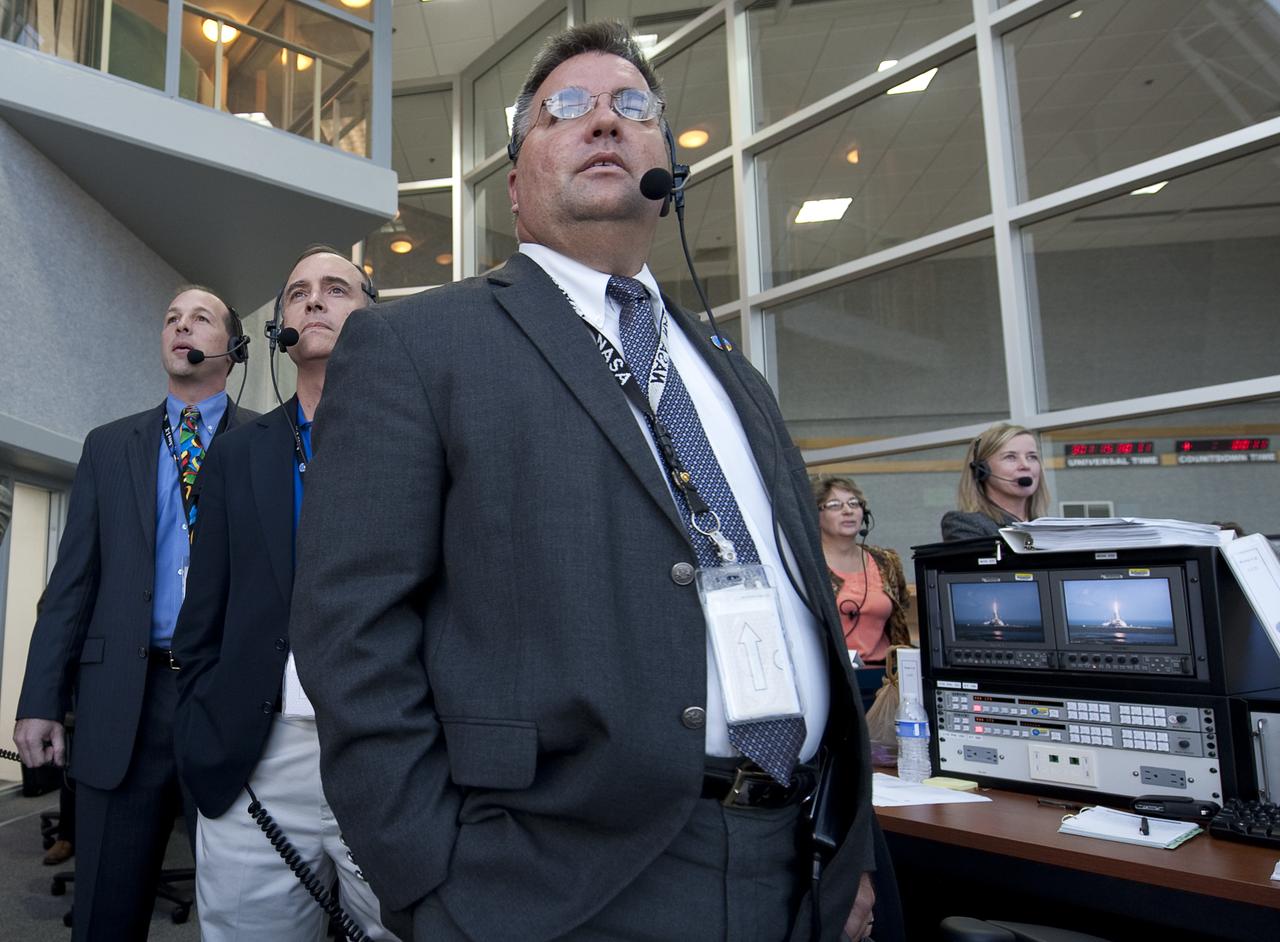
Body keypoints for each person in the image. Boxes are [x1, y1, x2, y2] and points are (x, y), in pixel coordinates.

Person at [289, 21, 884, 942]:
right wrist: (429, 882)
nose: (604, 121)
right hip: (547, 882)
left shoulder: (733, 375)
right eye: (567, 109)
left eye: (632, 107)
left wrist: (843, 846)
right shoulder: (418, 345)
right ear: (516, 177)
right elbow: (351, 627)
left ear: (666, 165)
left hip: (789, 860)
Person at [12, 286, 252, 940]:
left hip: (230, 700)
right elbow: (73, 582)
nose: (180, 327)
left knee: (252, 915)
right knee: (105, 914)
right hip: (126, 697)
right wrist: (40, 698)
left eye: (199, 318)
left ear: (233, 347)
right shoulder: (109, 445)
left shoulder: (267, 440)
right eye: (172, 319)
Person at [171, 245, 395, 941]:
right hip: (255, 758)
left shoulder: (422, 439)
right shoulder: (236, 455)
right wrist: (204, 726)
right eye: (298, 292)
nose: (315, 301)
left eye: (337, 289)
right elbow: (201, 614)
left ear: (371, 316)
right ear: (279, 330)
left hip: (390, 755)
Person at [812, 477, 911, 709]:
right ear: (815, 514)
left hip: (886, 679)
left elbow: (901, 613)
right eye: (835, 505)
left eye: (854, 504)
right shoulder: (808, 566)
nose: (848, 511)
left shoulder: (885, 561)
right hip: (831, 679)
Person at [942, 422, 1050, 542]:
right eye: (1010, 457)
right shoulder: (964, 524)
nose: (1025, 465)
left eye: (1032, 457)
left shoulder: (1050, 528)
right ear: (982, 469)